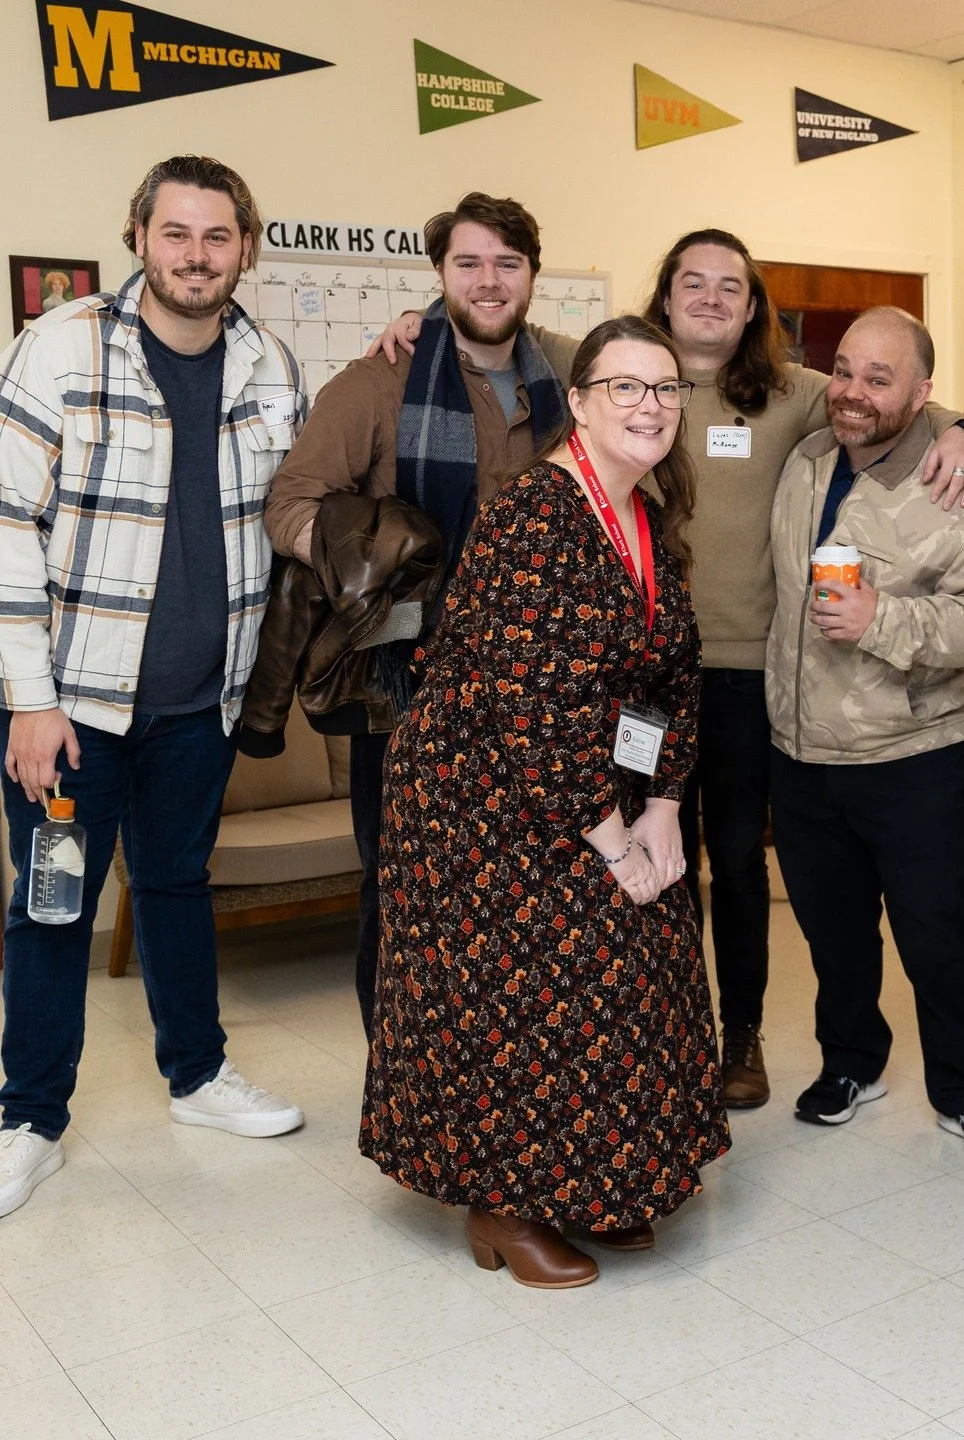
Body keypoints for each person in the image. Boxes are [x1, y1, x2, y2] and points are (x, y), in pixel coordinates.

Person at [371, 228, 964, 1109]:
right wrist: (422, 320)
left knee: (731, 863)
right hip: (595, 703)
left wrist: (959, 428)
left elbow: (880, 397)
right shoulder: (588, 430)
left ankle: (734, 1039)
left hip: (729, 676)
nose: (708, 299)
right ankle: (617, 1076)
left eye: (729, 287)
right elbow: (491, 319)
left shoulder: (793, 394)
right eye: (690, 283)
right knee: (623, 878)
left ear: (751, 308)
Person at [360, 315, 730, 1288]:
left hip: (581, 779)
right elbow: (533, 703)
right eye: (625, 387)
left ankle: (594, 1184)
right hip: (479, 799)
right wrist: (614, 844)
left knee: (643, 962)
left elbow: (668, 672)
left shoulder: (645, 513)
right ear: (579, 401)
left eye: (664, 389)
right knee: (536, 987)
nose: (649, 406)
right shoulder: (539, 511)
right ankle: (503, 1204)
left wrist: (662, 807)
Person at [0, 155, 307, 1220]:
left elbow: (295, 507)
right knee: (53, 903)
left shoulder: (271, 364)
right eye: (176, 233)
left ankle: (198, 1076)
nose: (196, 255)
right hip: (73, 712)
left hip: (199, 706)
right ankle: (28, 1117)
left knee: (177, 888)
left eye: (217, 237)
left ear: (245, 249)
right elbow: (4, 524)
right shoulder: (62, 346)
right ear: (140, 236)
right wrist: (28, 699)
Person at [265, 192, 572, 1036]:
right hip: (405, 686)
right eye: (468, 262)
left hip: (537, 688)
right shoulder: (378, 382)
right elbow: (290, 504)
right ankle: (402, 1078)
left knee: (526, 888)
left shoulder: (569, 381)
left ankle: (509, 1068)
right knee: (402, 886)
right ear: (440, 273)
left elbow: (656, 380)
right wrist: (365, 556)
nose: (488, 280)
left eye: (507, 263)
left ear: (532, 276)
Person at [766, 307, 964, 1163]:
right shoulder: (804, 461)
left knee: (935, 932)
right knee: (831, 930)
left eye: (880, 379)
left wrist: (884, 619)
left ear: (922, 394)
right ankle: (852, 1063)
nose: (852, 392)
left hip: (912, 755)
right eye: (843, 369)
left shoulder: (962, 491)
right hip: (801, 752)